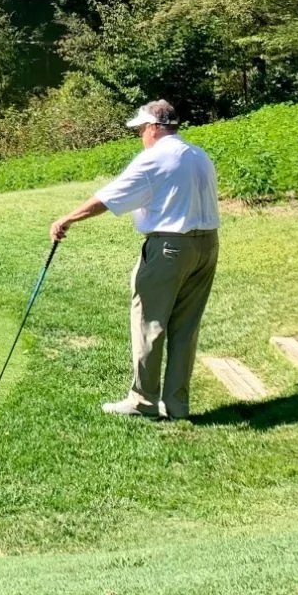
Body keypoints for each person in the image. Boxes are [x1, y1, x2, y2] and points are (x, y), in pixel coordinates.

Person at [49, 100, 219, 421]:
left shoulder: (154, 158)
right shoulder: (198, 155)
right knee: (185, 328)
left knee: (150, 323)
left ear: (154, 127)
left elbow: (109, 197)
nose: (141, 135)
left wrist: (67, 219)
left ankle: (143, 402)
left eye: (141, 129)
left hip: (170, 247)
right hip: (207, 246)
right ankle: (177, 405)